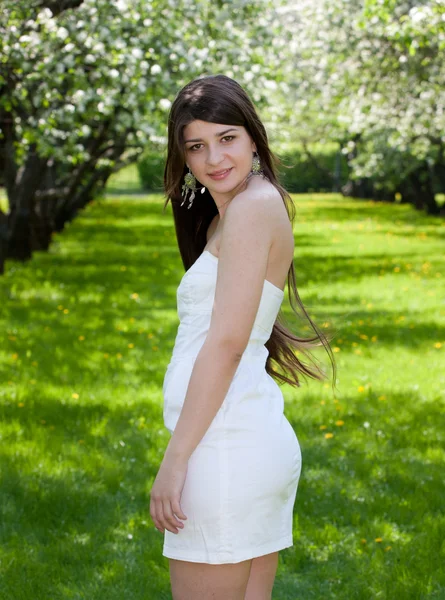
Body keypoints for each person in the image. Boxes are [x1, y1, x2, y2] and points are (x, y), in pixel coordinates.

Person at [149, 74, 337, 600]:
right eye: (196, 146)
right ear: (183, 157)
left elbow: (227, 343)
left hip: (223, 450)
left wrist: (176, 458)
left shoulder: (252, 208)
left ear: (253, 137)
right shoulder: (236, 210)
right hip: (241, 439)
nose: (214, 158)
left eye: (227, 137)